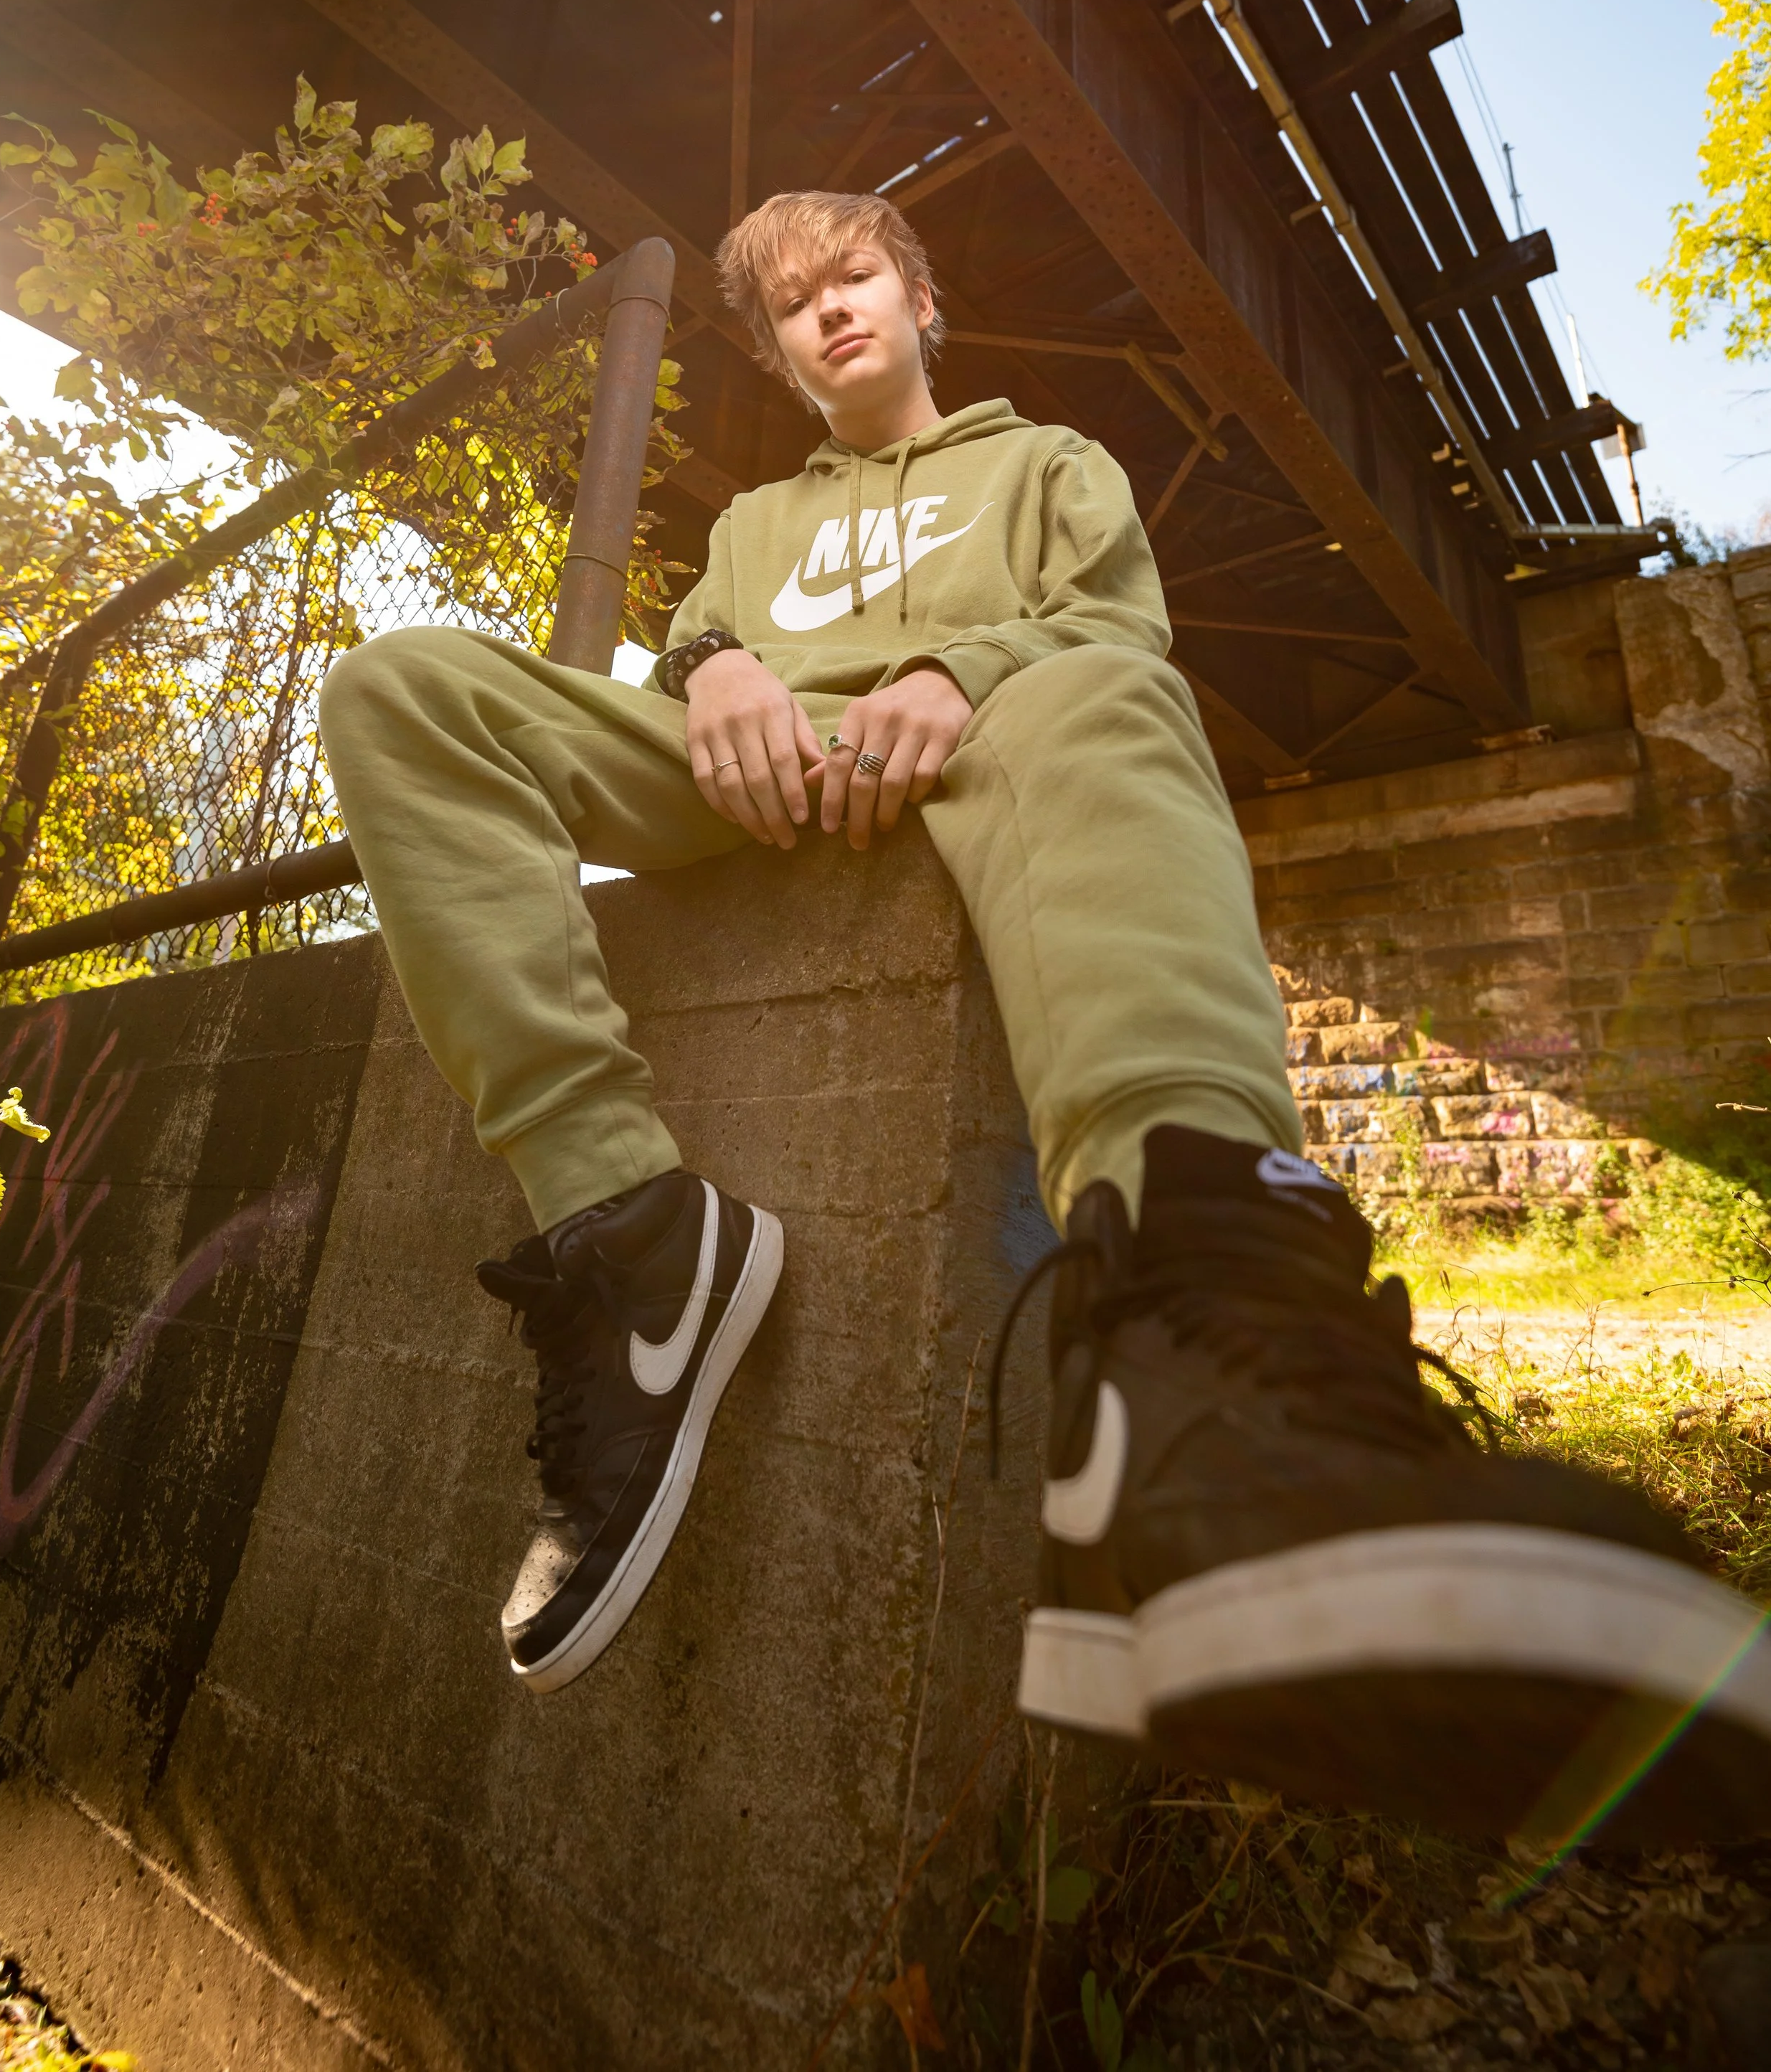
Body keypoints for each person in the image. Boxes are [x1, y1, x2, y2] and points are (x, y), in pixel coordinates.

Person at [319, 189, 1771, 1841]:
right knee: (398, 690)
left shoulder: (1050, 463)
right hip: (762, 775)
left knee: (1105, 687)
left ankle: (1201, 1381)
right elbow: (687, 666)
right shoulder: (748, 527)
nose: (829, 314)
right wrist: (708, 664)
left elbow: (1110, 630)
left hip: (993, 740)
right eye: (793, 307)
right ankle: (629, 1236)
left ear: (920, 299)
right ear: (784, 355)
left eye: (854, 277)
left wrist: (965, 671)